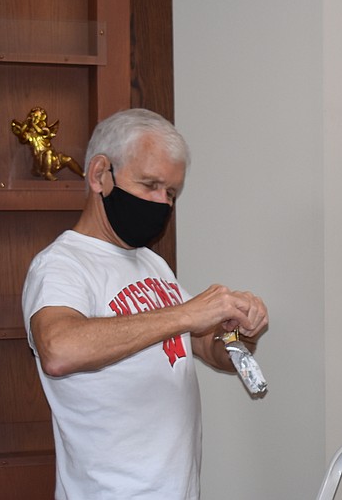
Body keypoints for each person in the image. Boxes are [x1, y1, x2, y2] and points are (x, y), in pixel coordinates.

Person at [21, 108, 269, 499]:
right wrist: (188, 313)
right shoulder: (60, 264)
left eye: (171, 193)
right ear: (101, 174)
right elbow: (58, 350)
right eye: (150, 185)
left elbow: (210, 349)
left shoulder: (150, 262)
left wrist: (239, 330)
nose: (162, 204)